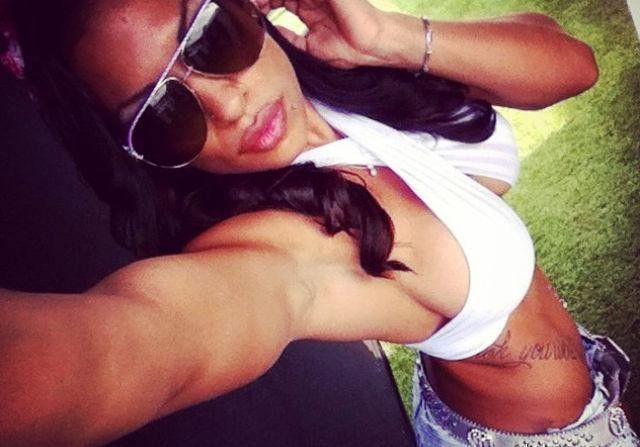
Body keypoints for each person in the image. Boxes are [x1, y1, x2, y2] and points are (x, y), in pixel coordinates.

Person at [2, 0, 636, 446]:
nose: (227, 103)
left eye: (209, 36)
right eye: (162, 114)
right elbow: (132, 344)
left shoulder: (345, 78)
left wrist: (384, 35)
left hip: (578, 381)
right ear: (141, 155)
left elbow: (573, 64)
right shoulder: (281, 241)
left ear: (248, 8)